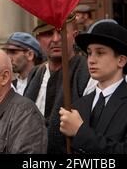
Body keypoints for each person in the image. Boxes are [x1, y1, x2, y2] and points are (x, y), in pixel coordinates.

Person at [59, 20, 127, 154]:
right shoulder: (78, 106)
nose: (91, 60)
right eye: (89, 53)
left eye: (100, 53)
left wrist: (81, 132)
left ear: (121, 60)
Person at [24, 13, 90, 153]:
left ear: (75, 35)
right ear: (38, 38)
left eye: (62, 31)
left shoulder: (87, 72)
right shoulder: (35, 73)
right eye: (48, 33)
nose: (55, 39)